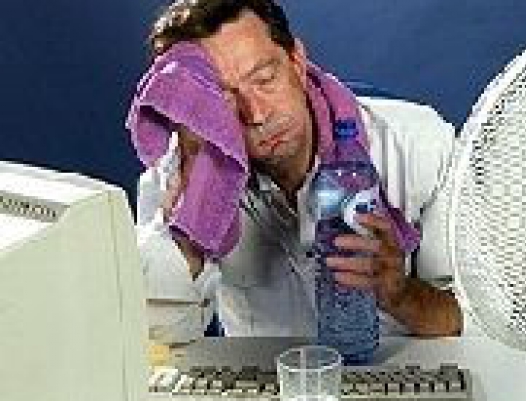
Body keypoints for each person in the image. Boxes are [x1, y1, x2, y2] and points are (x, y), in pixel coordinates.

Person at [134, 0, 462, 342]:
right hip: (265, 375)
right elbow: (155, 341)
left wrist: (402, 294)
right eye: (223, 101)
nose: (256, 114)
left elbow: (475, 320)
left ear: (297, 60)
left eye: (264, 79)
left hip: (399, 371)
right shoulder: (176, 175)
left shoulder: (421, 145)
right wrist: (190, 227)